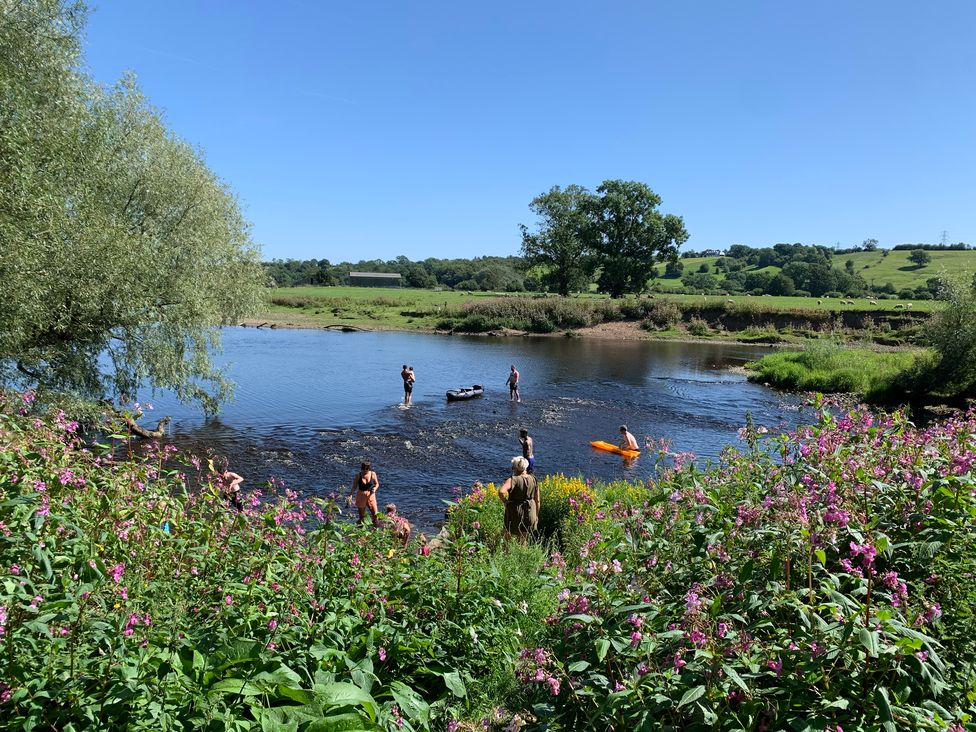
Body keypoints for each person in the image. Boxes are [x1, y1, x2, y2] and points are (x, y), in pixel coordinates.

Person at [497, 456, 539, 542]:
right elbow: (537, 500)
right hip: (530, 510)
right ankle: (521, 554)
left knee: (507, 534)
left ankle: (506, 552)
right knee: (524, 538)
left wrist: (506, 502)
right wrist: (536, 515)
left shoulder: (513, 479)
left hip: (515, 510)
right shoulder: (534, 479)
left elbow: (501, 492)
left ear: (515, 468)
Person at [350, 461, 380, 527]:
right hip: (361, 495)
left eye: (366, 469)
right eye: (363, 468)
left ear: (369, 468)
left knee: (375, 515)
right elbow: (354, 487)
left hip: (371, 495)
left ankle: (375, 531)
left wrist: (374, 489)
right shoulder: (358, 475)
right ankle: (359, 530)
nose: (365, 470)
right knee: (362, 517)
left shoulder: (373, 474)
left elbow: (377, 484)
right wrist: (351, 495)